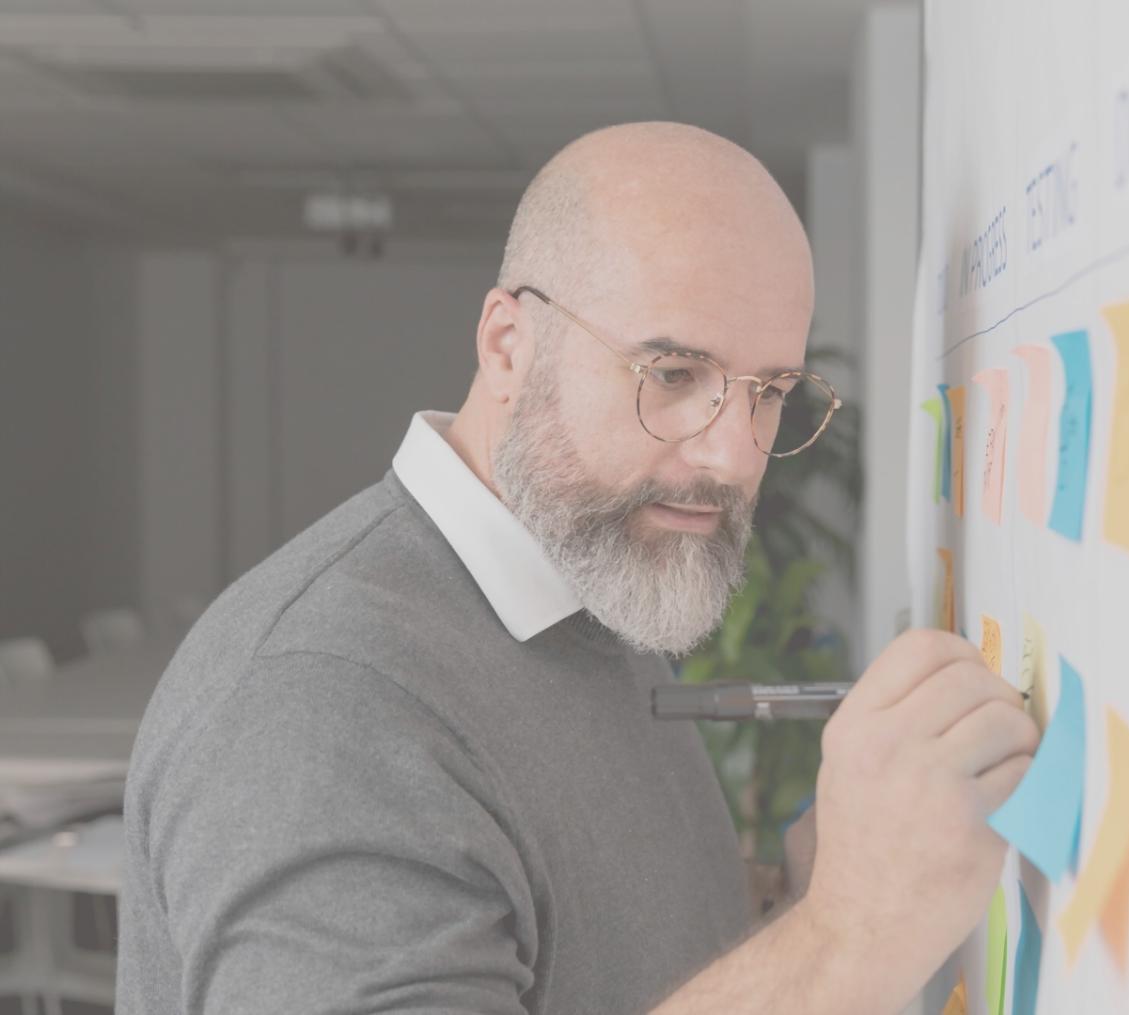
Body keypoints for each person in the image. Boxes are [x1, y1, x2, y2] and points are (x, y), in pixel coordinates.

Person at [115, 121, 1037, 1014]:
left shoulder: (593, 579)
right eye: (672, 373)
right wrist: (842, 937)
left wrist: (795, 897)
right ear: (508, 347)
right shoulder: (317, 706)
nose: (730, 457)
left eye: (770, 393)